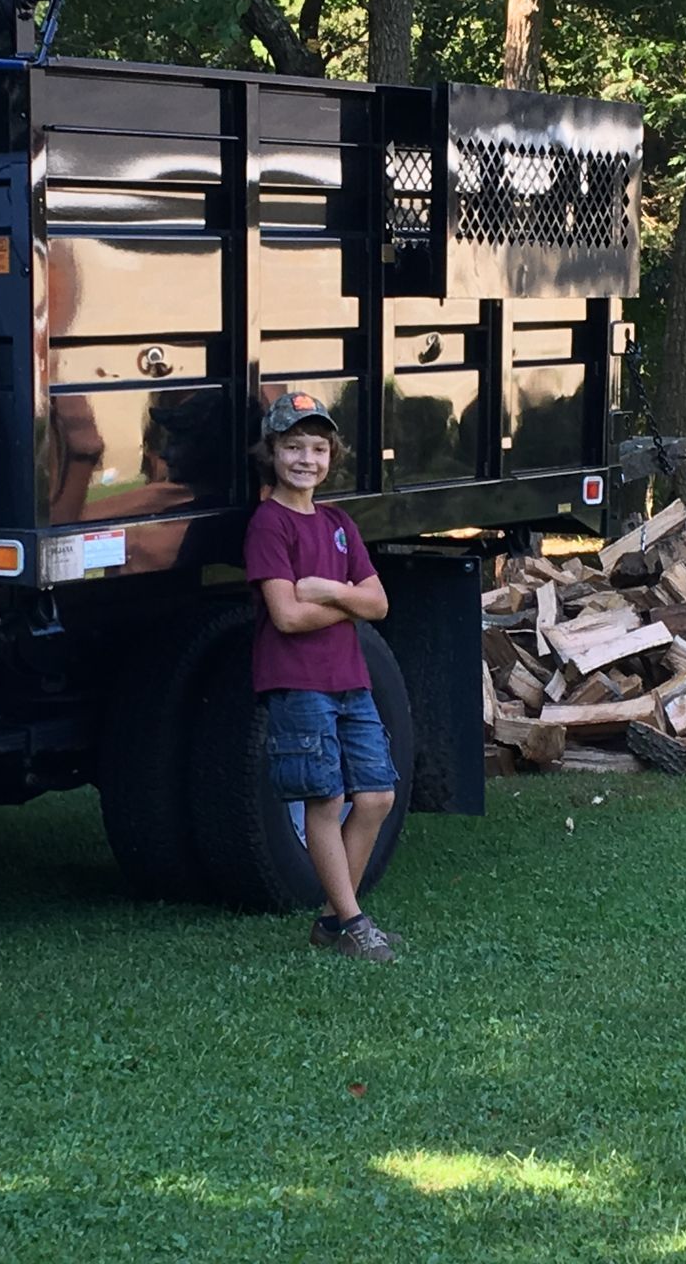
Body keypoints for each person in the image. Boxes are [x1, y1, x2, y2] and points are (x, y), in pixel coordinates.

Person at [242, 392, 402, 963]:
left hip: (349, 679)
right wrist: (351, 601)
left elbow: (379, 603)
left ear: (330, 455)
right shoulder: (269, 523)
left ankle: (335, 921)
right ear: (273, 453)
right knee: (325, 796)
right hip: (299, 681)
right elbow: (286, 615)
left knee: (378, 795)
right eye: (292, 447)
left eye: (317, 448)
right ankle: (353, 923)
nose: (305, 459)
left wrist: (328, 590)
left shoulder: (338, 524)